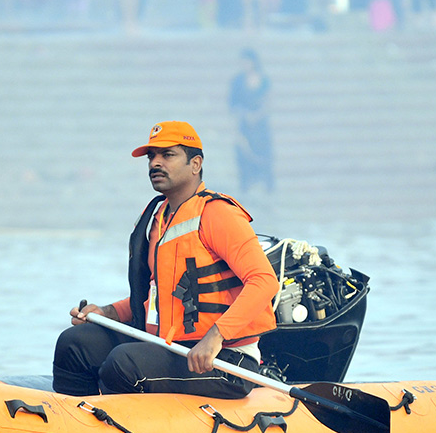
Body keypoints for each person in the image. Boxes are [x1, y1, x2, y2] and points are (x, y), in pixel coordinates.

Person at [52, 121, 279, 398]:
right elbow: (159, 298)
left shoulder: (218, 213)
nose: (155, 163)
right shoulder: (158, 219)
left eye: (167, 155)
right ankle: (77, 417)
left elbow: (264, 281)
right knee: (74, 343)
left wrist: (215, 336)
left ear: (195, 164)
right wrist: (108, 313)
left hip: (224, 357)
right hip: (171, 344)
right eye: (151, 156)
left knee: (123, 363)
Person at [229, 49, 274, 194]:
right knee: (244, 155)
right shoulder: (237, 82)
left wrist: (258, 115)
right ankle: (246, 188)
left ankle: (266, 189)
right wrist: (245, 115)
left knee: (264, 156)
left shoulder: (264, 80)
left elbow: (268, 101)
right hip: (244, 127)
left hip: (261, 127)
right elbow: (232, 104)